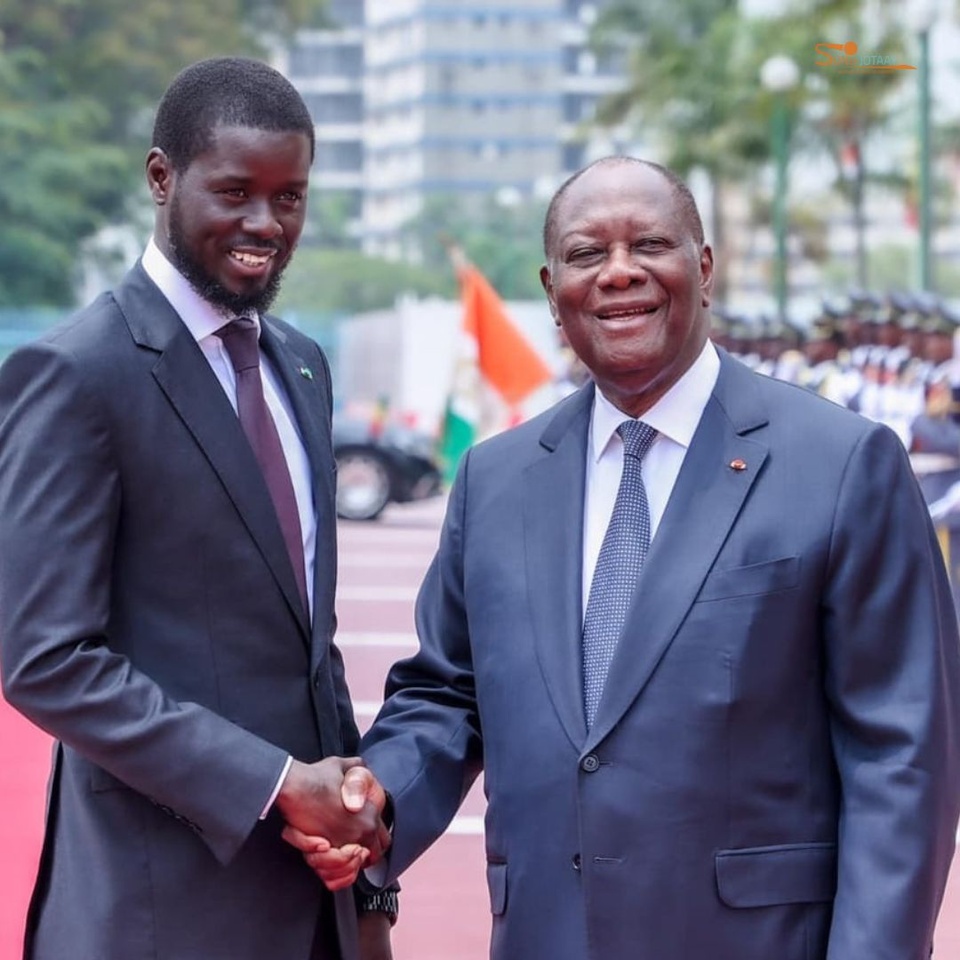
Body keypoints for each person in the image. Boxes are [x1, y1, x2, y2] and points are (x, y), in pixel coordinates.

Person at [292, 156, 960, 959]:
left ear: (704, 267)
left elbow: (902, 757)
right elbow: (447, 694)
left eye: (649, 244)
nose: (618, 274)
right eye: (585, 255)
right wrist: (379, 799)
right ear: (551, 289)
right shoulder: (497, 480)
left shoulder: (843, 464)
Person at [0, 57, 393, 960]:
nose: (266, 225)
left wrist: (370, 886)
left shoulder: (301, 365)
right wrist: (272, 782)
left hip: (312, 904)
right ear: (160, 177)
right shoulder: (75, 375)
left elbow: (306, 641)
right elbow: (47, 661)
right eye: (235, 192)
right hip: (157, 911)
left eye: (290, 197)